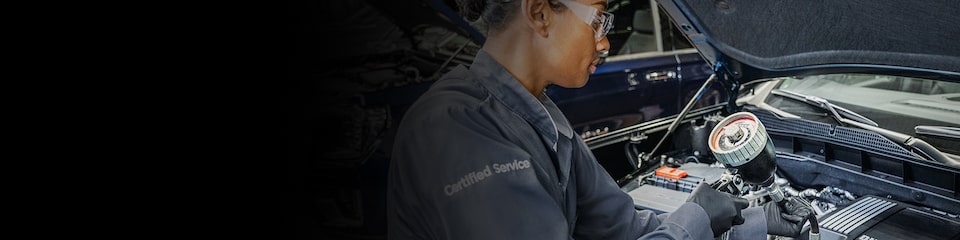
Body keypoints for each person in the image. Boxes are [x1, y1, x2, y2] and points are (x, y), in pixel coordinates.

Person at [387, 0, 812, 239]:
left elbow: (622, 228)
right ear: (538, 13)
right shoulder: (456, 130)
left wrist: (754, 221)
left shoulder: (543, 118)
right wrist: (695, 217)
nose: (606, 41)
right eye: (598, 19)